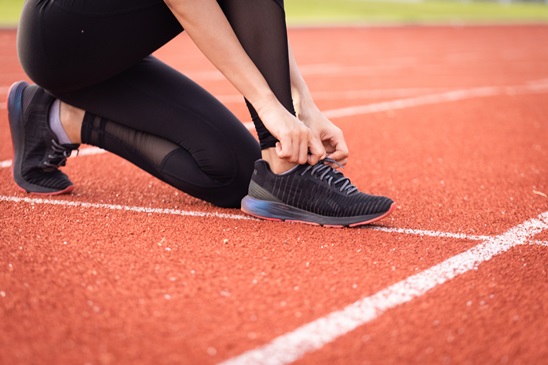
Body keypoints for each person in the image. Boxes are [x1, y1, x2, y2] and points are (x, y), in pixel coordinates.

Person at [7, 0, 395, 227]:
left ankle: (54, 117)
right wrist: (268, 108)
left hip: (111, 53)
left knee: (233, 177)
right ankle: (286, 170)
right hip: (61, 41)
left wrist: (303, 105)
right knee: (268, 174)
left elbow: (250, 17)